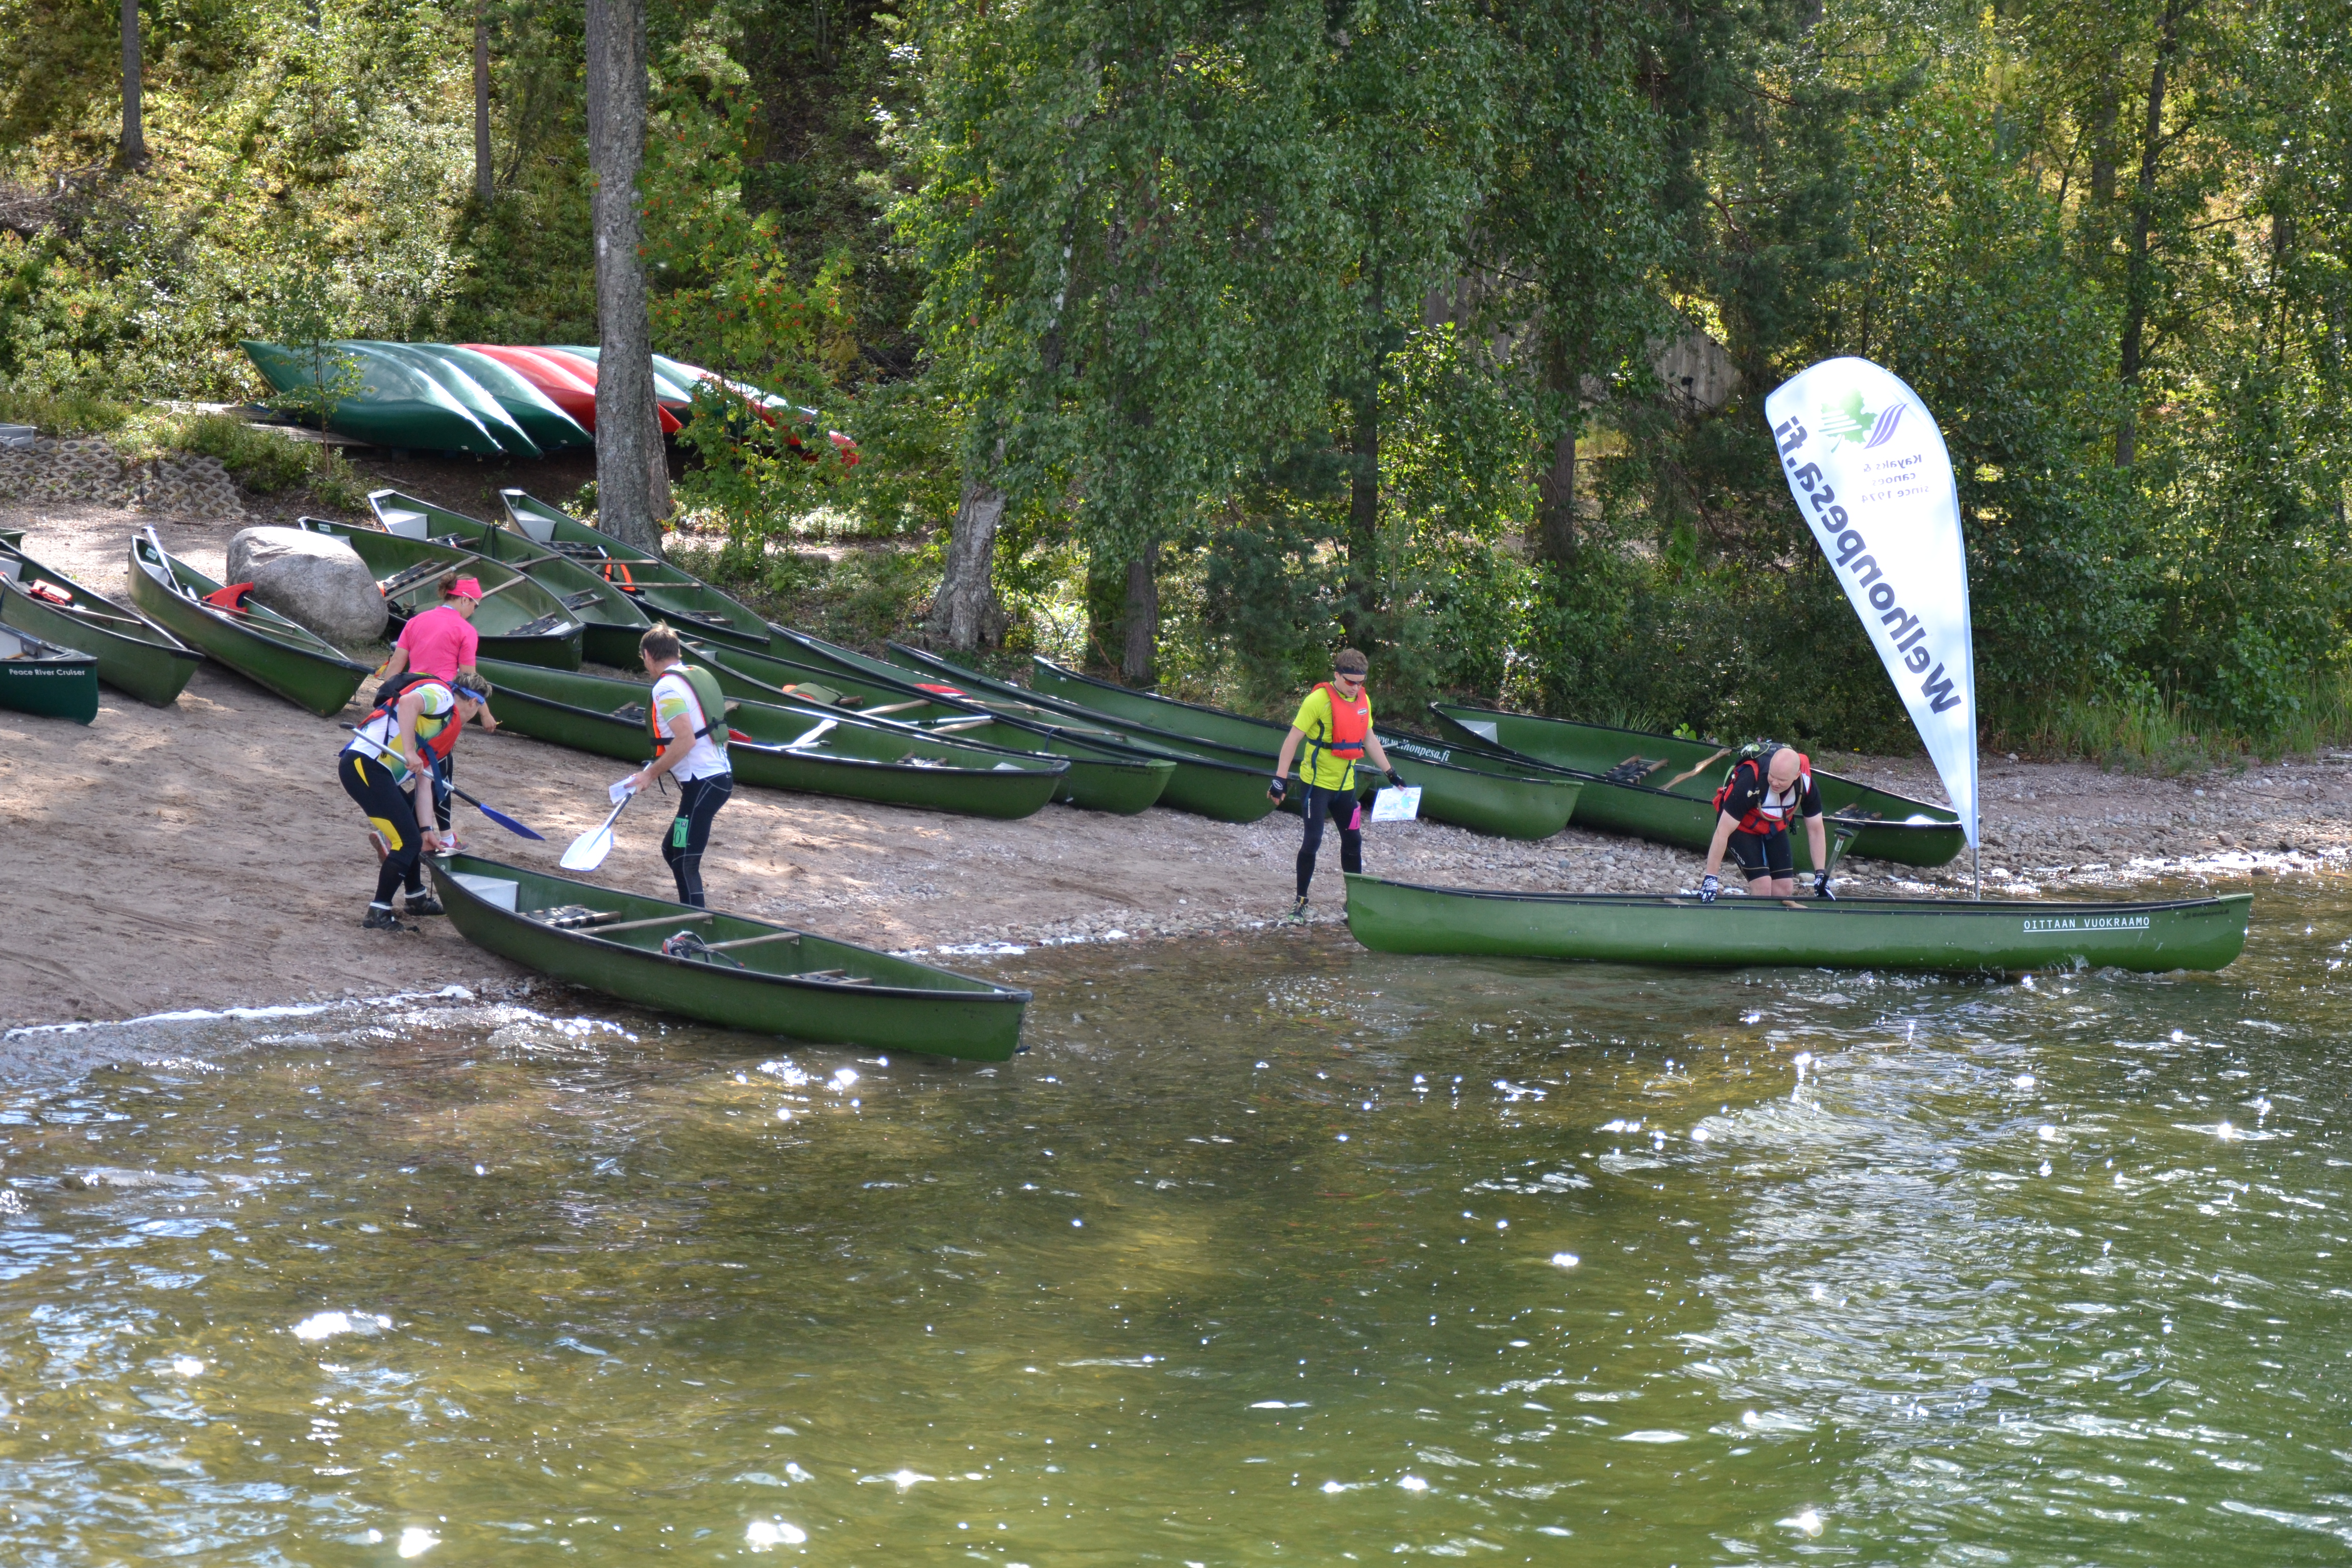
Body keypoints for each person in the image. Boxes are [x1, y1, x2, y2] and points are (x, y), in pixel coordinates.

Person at [340, 666, 494, 930]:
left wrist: (427, 830)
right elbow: (409, 702)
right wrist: (410, 751)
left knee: (415, 837)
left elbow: (425, 784)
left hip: (378, 773)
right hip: (366, 765)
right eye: (481, 708)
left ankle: (415, 898)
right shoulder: (442, 695)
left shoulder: (445, 728)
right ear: (473, 702)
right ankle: (378, 912)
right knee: (406, 841)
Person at [1269, 647, 1405, 922]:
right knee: (1313, 841)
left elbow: (1369, 739)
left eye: (1361, 682)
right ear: (1337, 675)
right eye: (1350, 682)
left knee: (1354, 841)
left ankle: (1353, 902)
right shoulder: (1318, 701)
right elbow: (1292, 740)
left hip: (1346, 787)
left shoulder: (1363, 701)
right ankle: (1301, 902)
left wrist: (1391, 773)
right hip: (1316, 785)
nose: (1356, 688)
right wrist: (1280, 780)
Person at [619, 624, 734, 908]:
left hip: (705, 785)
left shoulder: (666, 688)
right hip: (710, 782)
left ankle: (694, 923)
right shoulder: (693, 677)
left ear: (647, 655)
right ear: (677, 652)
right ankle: (690, 915)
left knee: (684, 859)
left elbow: (685, 740)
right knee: (673, 849)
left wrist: (650, 773)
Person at [372, 576, 496, 838]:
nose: (474, 611)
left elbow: (396, 666)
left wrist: (383, 706)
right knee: (438, 774)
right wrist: (485, 714)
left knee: (426, 774)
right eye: (476, 605)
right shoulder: (465, 631)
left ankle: (423, 833)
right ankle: (437, 835)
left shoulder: (416, 621)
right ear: (464, 599)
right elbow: (469, 682)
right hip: (440, 707)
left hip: (410, 701)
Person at [1700, 742, 1832, 901]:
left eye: (1782, 780)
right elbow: (1722, 831)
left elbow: (1816, 829)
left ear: (1796, 775)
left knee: (1784, 888)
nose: (1775, 783)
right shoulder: (1750, 780)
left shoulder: (1806, 783)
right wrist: (1711, 878)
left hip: (1773, 826)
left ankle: (1774, 925)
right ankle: (1757, 924)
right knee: (1763, 886)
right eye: (1772, 776)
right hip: (1742, 827)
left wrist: (1820, 874)